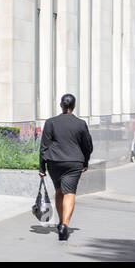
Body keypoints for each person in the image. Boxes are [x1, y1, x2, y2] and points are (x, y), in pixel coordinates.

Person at [39, 94, 93, 241]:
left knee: (59, 191)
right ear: (74, 106)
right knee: (70, 193)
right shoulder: (80, 124)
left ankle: (61, 221)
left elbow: (44, 147)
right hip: (74, 162)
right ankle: (65, 225)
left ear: (61, 105)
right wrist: (85, 162)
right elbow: (88, 146)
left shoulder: (50, 122)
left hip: (54, 162)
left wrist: (42, 168)